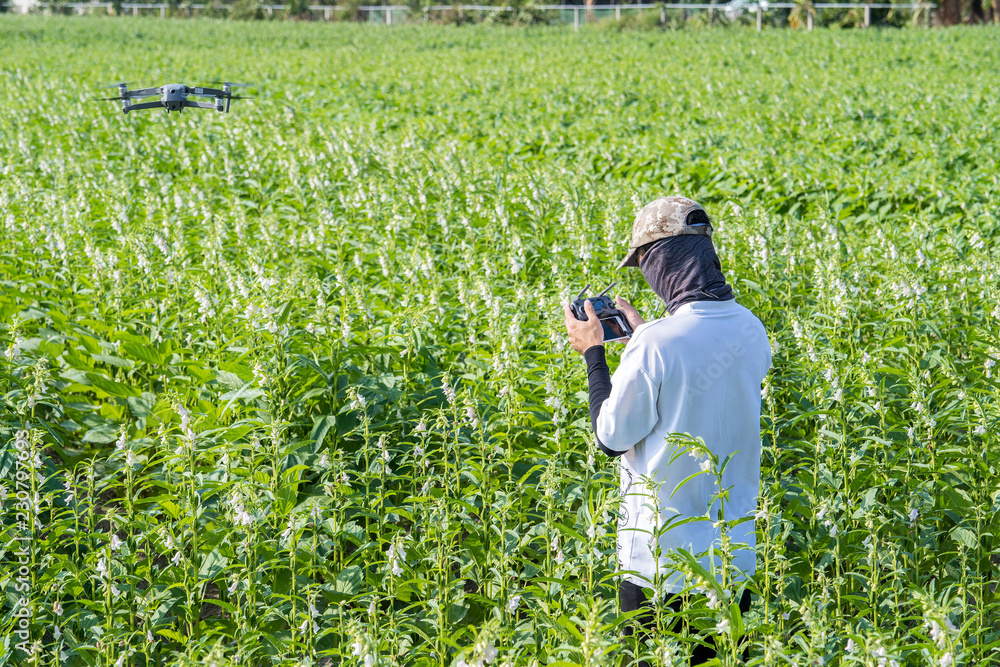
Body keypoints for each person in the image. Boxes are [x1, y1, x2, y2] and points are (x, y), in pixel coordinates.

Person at [563, 196, 772, 665]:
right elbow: (699, 379)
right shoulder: (751, 329)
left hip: (661, 569)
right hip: (731, 562)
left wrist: (594, 354)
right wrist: (642, 336)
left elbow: (610, 436)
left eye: (645, 263)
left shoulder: (656, 344)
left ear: (662, 262)